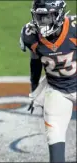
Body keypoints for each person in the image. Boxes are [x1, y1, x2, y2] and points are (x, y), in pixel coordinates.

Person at [20, 0, 76, 162]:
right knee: (54, 136)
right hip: (57, 89)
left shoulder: (74, 28)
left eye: (47, 16)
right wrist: (35, 88)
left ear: (58, 14)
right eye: (39, 16)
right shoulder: (30, 34)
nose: (42, 21)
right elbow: (35, 61)